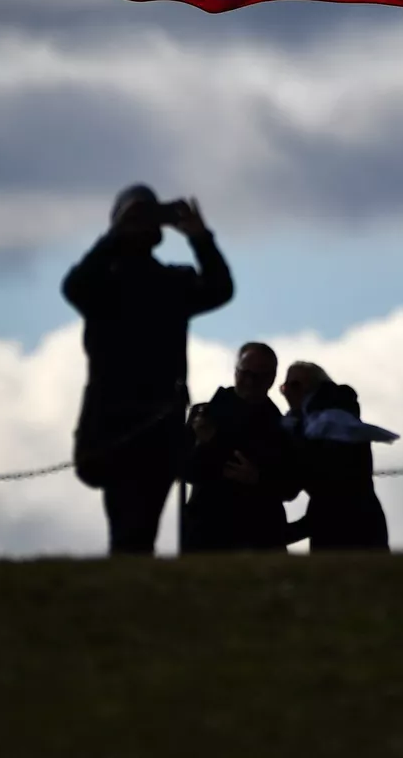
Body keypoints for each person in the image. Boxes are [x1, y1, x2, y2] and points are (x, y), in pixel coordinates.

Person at [63, 185, 234, 555]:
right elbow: (74, 286)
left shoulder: (171, 283)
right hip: (118, 422)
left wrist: (199, 236)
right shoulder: (103, 287)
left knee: (134, 527)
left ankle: (130, 577)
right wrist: (117, 234)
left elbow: (220, 288)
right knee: (130, 526)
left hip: (154, 421)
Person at [180, 342, 298, 553]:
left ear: (271, 378)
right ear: (236, 371)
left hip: (260, 535)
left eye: (258, 376)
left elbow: (291, 487)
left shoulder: (282, 427)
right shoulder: (204, 415)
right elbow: (185, 470)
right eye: (245, 374)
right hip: (207, 532)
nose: (250, 382)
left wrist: (258, 479)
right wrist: (204, 445)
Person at [280, 361, 393, 552]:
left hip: (356, 529)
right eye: (285, 387)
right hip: (340, 527)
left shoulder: (334, 425)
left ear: (315, 388)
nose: (288, 393)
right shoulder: (302, 426)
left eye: (296, 386)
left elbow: (335, 492)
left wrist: (284, 533)